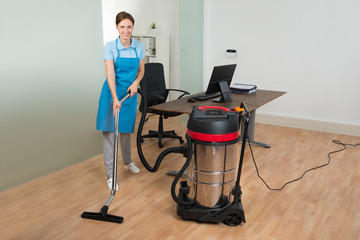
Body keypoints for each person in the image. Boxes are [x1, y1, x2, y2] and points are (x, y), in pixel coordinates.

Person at [96, 11, 145, 190]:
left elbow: (141, 71)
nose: (126, 30)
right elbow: (110, 74)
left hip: (129, 95)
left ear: (133, 27)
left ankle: (127, 162)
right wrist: (115, 98)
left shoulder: (138, 46)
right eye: (122, 27)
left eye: (129, 27)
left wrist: (135, 84)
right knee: (110, 134)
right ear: (117, 27)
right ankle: (111, 176)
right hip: (112, 95)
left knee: (125, 132)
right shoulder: (110, 47)